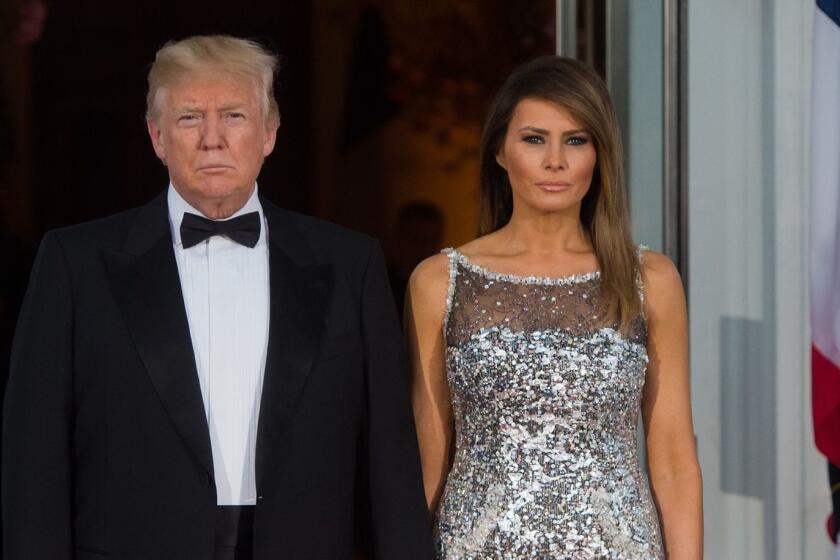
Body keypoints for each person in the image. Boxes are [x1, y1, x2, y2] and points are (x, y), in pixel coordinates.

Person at [3, 35, 434, 560]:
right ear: (156, 136)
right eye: (189, 118)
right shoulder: (74, 265)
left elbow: (389, 455)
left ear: (270, 133)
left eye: (233, 115)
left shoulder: (351, 266)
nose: (212, 139)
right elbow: (34, 455)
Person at [406, 56, 703, 558]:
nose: (555, 162)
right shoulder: (440, 281)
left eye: (576, 140)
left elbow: (673, 457)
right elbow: (427, 452)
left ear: (599, 153)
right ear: (500, 151)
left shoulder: (650, 279)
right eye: (534, 139)